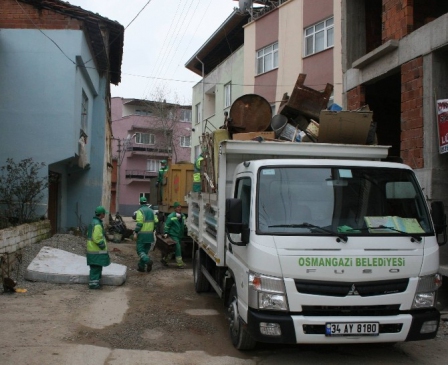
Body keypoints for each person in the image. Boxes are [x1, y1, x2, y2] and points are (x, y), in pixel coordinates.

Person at [86, 206, 111, 289]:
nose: (105, 215)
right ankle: (93, 284)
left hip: (92, 249)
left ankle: (95, 283)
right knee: (96, 268)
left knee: (95, 267)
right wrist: (102, 244)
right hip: (96, 250)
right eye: (104, 214)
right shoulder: (98, 224)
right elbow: (96, 237)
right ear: (101, 214)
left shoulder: (93, 222)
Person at [134, 196, 158, 273]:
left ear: (140, 203)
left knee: (140, 251)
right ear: (146, 202)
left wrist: (136, 232)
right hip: (150, 235)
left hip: (142, 235)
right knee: (145, 251)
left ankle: (148, 261)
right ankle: (141, 266)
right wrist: (153, 229)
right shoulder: (152, 211)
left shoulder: (140, 211)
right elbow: (156, 221)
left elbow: (140, 223)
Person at [161, 201, 186, 268]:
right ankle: (180, 264)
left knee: (173, 249)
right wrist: (166, 233)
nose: (179, 208)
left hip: (179, 235)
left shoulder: (183, 216)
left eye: (180, 207)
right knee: (178, 248)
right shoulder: (171, 216)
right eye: (178, 207)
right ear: (175, 209)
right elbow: (167, 226)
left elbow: (184, 225)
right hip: (173, 235)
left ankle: (165, 260)